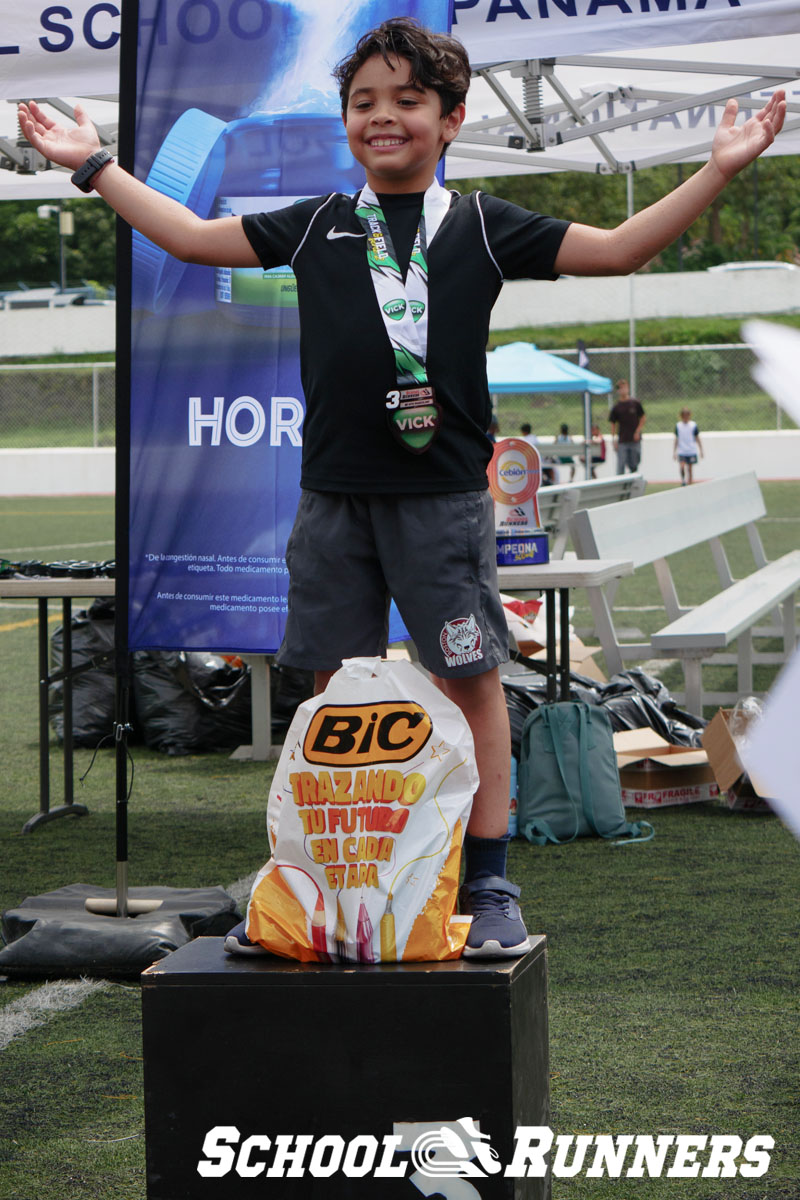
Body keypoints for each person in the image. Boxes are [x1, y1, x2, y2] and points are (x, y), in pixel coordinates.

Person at [18, 20, 784, 959]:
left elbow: (622, 249)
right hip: (332, 500)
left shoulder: (484, 225)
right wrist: (91, 160)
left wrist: (719, 170)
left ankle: (489, 881)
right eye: (364, 102)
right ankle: (328, 884)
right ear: (346, 121)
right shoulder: (313, 222)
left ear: (452, 119)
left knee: (472, 688)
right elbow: (184, 233)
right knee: (333, 694)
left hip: (440, 505)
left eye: (407, 101)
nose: (383, 118)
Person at [609, 379, 646, 474]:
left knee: (634, 464)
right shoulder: (616, 407)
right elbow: (613, 423)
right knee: (621, 465)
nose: (623, 390)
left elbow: (642, 417)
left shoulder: (635, 403)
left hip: (634, 439)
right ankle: (620, 486)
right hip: (623, 440)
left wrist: (637, 431)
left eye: (625, 387)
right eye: (621, 388)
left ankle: (632, 484)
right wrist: (613, 440)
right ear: (618, 391)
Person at [674, 407, 704, 485]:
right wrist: (674, 451)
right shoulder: (678, 426)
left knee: (690, 469)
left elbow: (697, 438)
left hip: (691, 450)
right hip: (682, 450)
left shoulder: (693, 425)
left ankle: (690, 482)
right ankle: (683, 480)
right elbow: (676, 439)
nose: (686, 418)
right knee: (682, 466)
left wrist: (701, 450)